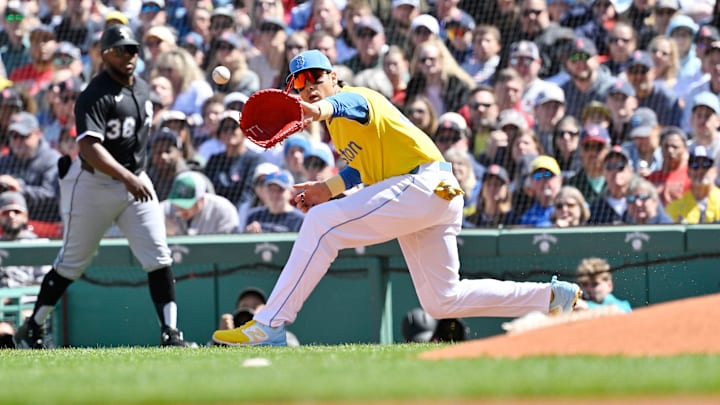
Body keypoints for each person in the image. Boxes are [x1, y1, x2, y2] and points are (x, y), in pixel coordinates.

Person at [211, 50, 582, 346]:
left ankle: (269, 324)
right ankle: (551, 297)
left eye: (316, 77)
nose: (308, 86)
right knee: (442, 300)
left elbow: (341, 105)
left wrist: (319, 108)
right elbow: (362, 168)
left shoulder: (356, 97)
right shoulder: (338, 133)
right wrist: (328, 188)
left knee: (322, 225)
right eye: (299, 83)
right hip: (428, 195)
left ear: (334, 77)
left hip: (421, 186)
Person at [13, 24, 195, 349]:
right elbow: (89, 149)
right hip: (95, 185)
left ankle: (171, 333)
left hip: (136, 181)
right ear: (104, 54)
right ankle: (34, 325)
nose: (129, 55)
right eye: (121, 50)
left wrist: (133, 177)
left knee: (158, 256)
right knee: (73, 262)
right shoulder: (94, 94)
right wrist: (128, 178)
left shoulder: (141, 88)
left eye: (133, 49)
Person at [162, 171, 239, 236]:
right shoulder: (163, 210)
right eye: (177, 203)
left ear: (201, 199)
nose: (181, 208)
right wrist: (162, 232)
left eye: (186, 204)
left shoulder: (223, 210)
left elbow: (229, 247)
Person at [665, 145, 720, 223]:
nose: (700, 170)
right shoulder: (676, 205)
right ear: (688, 172)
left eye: (706, 164)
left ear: (715, 171)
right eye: (695, 165)